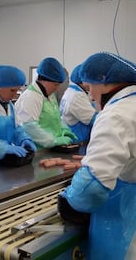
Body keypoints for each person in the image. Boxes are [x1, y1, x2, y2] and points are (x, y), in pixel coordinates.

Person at [58, 52, 136, 260]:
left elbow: (93, 187)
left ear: (104, 83)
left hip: (128, 220)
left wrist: (68, 200)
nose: (91, 97)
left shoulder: (115, 114)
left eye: (91, 88)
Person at [15, 57, 77, 148]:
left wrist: (63, 129)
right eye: (55, 85)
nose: (57, 88)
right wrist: (54, 141)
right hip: (38, 150)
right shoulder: (31, 97)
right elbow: (29, 127)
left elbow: (56, 117)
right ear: (44, 80)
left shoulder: (50, 95)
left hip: (51, 149)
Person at [59, 63, 98, 143]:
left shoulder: (71, 91)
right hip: (78, 140)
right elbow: (93, 119)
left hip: (76, 138)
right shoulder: (77, 96)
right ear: (82, 81)